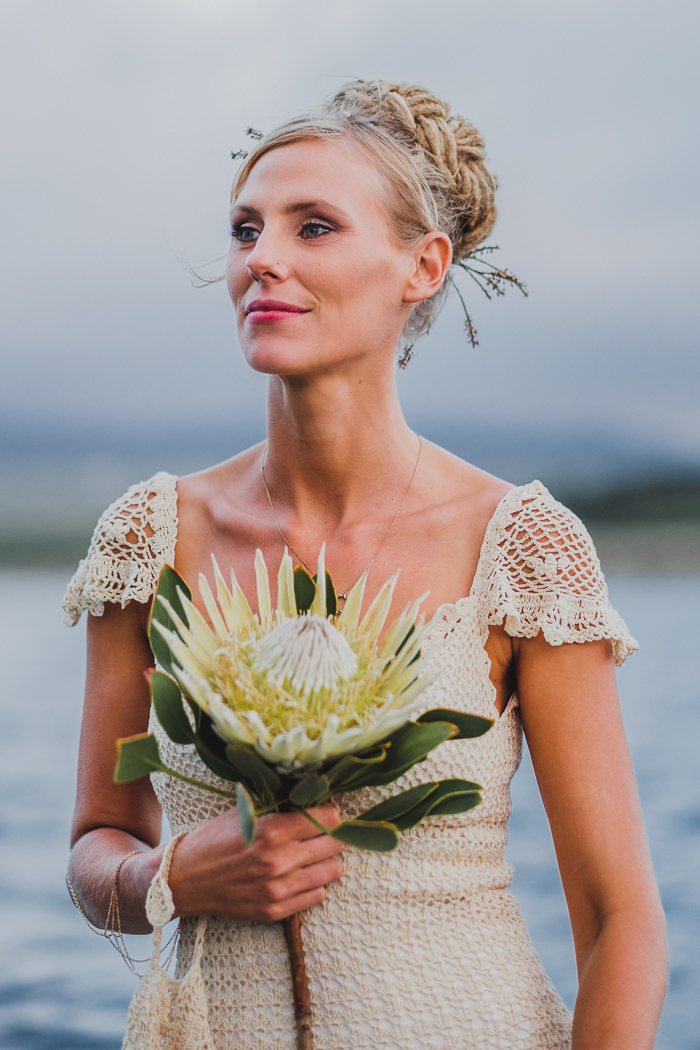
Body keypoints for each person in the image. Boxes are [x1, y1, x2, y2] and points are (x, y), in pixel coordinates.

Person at [64, 80, 666, 1050]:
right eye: (244, 228)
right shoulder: (150, 535)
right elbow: (99, 841)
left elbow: (618, 915)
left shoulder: (517, 544)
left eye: (312, 228)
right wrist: (163, 878)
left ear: (421, 265)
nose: (261, 258)